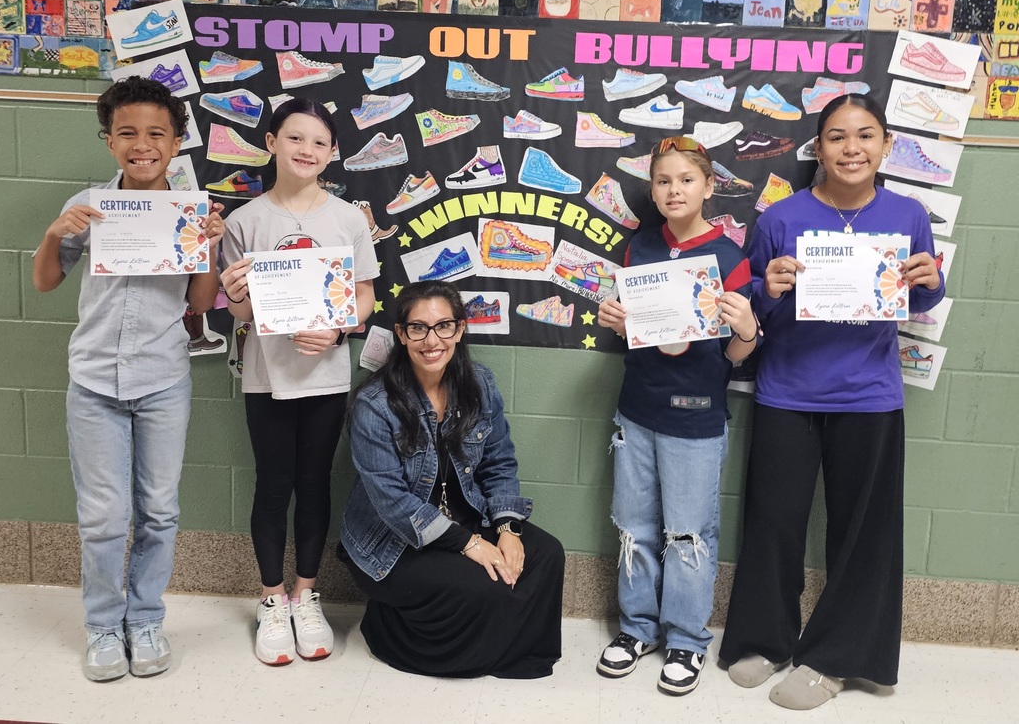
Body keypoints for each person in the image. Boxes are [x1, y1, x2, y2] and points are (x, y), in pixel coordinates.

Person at [718, 93, 945, 710]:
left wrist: (931, 283)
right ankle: (765, 640)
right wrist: (766, 287)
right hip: (787, 391)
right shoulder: (780, 219)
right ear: (817, 148)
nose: (852, 149)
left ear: (886, 145)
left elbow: (917, 301)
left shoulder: (908, 214)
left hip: (870, 397)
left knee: (862, 533)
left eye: (865, 136)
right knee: (773, 523)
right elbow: (753, 313)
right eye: (838, 137)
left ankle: (837, 659)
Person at [32, 76, 225, 681]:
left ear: (176, 142)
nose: (142, 145)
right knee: (103, 517)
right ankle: (101, 627)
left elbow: (199, 303)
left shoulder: (191, 211)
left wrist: (210, 248)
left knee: (160, 510)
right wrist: (53, 234)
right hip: (93, 381)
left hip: (163, 378)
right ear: (110, 141)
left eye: (156, 134)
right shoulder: (89, 204)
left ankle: (144, 620)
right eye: (128, 134)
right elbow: (45, 282)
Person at [595, 136, 759, 695]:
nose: (674, 190)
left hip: (695, 417)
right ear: (652, 188)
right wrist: (616, 319)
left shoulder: (731, 258)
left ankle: (686, 640)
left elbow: (737, 357)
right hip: (637, 409)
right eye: (663, 180)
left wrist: (746, 331)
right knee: (634, 527)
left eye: (686, 180)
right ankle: (636, 628)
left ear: (709, 187)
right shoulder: (637, 247)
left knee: (687, 533)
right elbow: (631, 332)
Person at [219, 98, 379, 666]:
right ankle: (270, 600)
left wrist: (338, 334)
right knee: (272, 484)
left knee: (313, 484)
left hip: (325, 376)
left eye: (318, 142)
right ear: (271, 142)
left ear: (333, 153)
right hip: (266, 378)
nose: (306, 150)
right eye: (295, 138)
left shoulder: (348, 219)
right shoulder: (245, 222)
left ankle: (306, 594)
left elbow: (365, 296)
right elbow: (239, 313)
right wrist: (236, 294)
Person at [338, 280, 565, 679]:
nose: (432, 340)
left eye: (444, 326)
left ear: (460, 330)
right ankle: (393, 634)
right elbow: (391, 501)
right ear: (401, 335)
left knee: (546, 554)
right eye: (418, 328)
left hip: (463, 519)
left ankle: (509, 651)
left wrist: (507, 528)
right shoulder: (375, 405)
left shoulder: (479, 383)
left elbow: (499, 461)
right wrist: (471, 544)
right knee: (483, 583)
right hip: (392, 541)